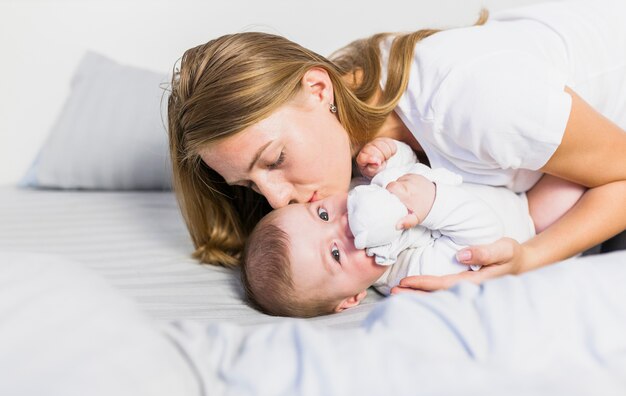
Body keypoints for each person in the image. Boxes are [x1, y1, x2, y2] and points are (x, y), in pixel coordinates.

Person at [167, 0, 626, 292]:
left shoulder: (479, 102)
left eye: (275, 160)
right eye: (248, 184)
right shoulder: (350, 118)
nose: (275, 199)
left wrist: (529, 259)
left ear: (319, 90)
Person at [241, 139, 536, 317]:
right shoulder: (411, 276)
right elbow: (484, 239)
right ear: (352, 299)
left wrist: (388, 156)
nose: (345, 223)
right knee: (566, 194)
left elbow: (413, 169)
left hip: (505, 181)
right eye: (335, 254)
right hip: (530, 220)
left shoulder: (360, 193)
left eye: (322, 214)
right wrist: (430, 202)